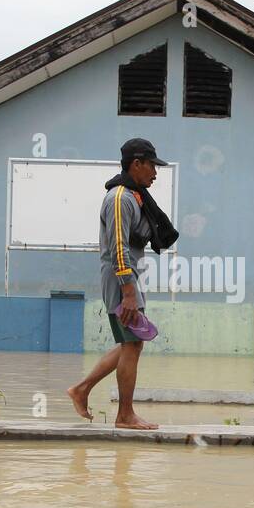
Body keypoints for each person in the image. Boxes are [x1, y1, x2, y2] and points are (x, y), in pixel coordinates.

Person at [67, 137, 177, 430]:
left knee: (132, 342)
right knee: (133, 344)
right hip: (121, 278)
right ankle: (124, 415)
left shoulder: (134, 196)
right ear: (137, 164)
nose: (155, 173)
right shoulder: (119, 198)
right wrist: (128, 291)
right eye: (152, 166)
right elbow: (118, 247)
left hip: (127, 277)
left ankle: (82, 390)